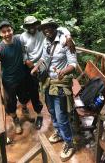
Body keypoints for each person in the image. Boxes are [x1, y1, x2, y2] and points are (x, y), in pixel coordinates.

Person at [31, 18, 77, 161]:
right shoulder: (46, 41)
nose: (46, 30)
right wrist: (36, 66)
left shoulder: (65, 40)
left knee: (61, 114)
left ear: (54, 27)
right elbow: (44, 58)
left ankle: (69, 143)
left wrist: (64, 71)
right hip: (48, 82)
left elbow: (74, 64)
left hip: (60, 83)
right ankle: (58, 132)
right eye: (44, 28)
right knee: (51, 111)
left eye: (49, 27)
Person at [20, 16, 75, 129]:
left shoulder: (43, 32)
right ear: (26, 26)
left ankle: (47, 116)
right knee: (33, 90)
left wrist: (68, 37)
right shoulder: (23, 36)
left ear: (36, 24)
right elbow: (23, 51)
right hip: (32, 65)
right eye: (29, 25)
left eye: (33, 24)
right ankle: (42, 114)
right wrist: (27, 61)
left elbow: (60, 29)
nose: (31, 27)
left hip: (46, 64)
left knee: (44, 91)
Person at [0, 20, 29, 134]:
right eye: (4, 32)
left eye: (9, 30)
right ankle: (15, 119)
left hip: (22, 76)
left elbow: (34, 34)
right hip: (9, 81)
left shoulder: (20, 39)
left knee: (24, 97)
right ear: (0, 34)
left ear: (12, 30)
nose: (7, 34)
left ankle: (24, 109)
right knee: (10, 103)